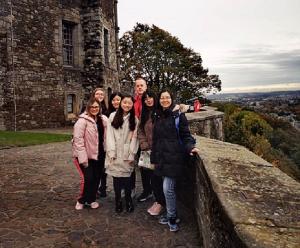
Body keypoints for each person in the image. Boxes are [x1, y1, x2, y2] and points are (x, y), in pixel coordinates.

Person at [151, 89, 199, 232]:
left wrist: (191, 147)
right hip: (162, 158)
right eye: (162, 98)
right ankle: (172, 214)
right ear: (159, 100)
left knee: (168, 188)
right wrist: (154, 158)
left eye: (167, 97)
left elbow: (186, 136)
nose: (164, 100)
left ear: (171, 99)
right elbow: (156, 140)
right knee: (167, 189)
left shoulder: (179, 116)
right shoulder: (157, 116)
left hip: (175, 158)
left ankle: (172, 218)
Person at [105, 94, 139, 213]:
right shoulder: (112, 116)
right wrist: (111, 151)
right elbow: (109, 135)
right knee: (116, 179)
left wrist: (131, 154)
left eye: (129, 103)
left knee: (127, 178)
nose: (127, 105)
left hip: (126, 152)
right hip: (114, 151)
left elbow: (135, 138)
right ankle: (118, 200)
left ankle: (128, 200)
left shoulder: (134, 119)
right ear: (120, 103)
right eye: (125, 102)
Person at [72, 98, 108, 210]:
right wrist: (83, 159)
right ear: (88, 108)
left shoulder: (103, 119)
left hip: (100, 154)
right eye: (92, 107)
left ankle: (91, 199)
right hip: (86, 156)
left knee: (97, 178)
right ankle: (82, 200)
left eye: (97, 107)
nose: (94, 109)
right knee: (88, 178)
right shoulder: (82, 121)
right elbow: (78, 140)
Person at [137, 90, 165, 216]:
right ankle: (158, 201)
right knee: (153, 178)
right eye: (145, 98)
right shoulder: (144, 114)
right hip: (148, 151)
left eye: (150, 97)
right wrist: (144, 144)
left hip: (160, 151)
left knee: (158, 178)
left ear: (155, 98)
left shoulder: (160, 112)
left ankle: (160, 202)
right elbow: (140, 130)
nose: (148, 100)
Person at [133, 77, 153, 202]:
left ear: (146, 87)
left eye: (142, 85)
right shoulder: (133, 101)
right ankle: (147, 191)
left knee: (155, 168)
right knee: (144, 167)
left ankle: (155, 192)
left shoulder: (149, 100)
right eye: (137, 86)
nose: (139, 87)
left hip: (152, 140)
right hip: (140, 139)